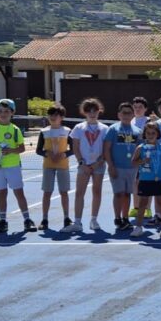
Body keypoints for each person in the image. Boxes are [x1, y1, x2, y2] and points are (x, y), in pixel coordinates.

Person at [0, 99, 33, 234]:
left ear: (12, 113)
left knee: (19, 193)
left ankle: (27, 219)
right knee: (1, 193)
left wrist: (10, 150)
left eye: (6, 111)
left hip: (13, 166)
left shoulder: (15, 130)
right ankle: (2, 221)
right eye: (0, 111)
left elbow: (22, 148)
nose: (3, 114)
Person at [63, 98, 109, 233]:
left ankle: (94, 220)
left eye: (95, 110)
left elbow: (106, 150)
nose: (92, 113)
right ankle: (77, 222)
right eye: (89, 111)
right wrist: (81, 163)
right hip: (83, 166)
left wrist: (97, 163)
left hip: (99, 165)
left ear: (99, 111)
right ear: (84, 112)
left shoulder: (105, 129)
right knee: (79, 193)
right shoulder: (78, 128)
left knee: (97, 191)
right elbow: (75, 147)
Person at [103, 102, 140, 232]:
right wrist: (111, 166)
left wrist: (139, 165)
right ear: (119, 115)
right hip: (117, 167)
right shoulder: (113, 129)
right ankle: (117, 218)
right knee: (118, 194)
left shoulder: (137, 131)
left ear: (133, 115)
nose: (126, 115)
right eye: (123, 113)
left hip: (131, 168)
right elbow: (106, 149)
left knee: (127, 194)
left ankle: (125, 218)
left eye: (129, 113)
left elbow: (140, 150)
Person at [35, 104, 72, 231]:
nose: (52, 117)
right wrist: (47, 153)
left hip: (63, 165)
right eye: (51, 114)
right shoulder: (44, 132)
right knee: (47, 192)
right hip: (48, 166)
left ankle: (67, 218)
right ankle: (44, 219)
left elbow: (73, 150)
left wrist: (64, 154)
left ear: (61, 117)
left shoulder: (67, 131)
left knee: (64, 192)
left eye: (56, 115)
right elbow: (38, 150)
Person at [132, 121, 161, 238]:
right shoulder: (140, 148)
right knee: (142, 203)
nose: (150, 135)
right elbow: (133, 162)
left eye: (153, 133)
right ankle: (138, 227)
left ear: (157, 134)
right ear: (145, 134)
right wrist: (143, 161)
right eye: (148, 133)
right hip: (145, 180)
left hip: (159, 180)